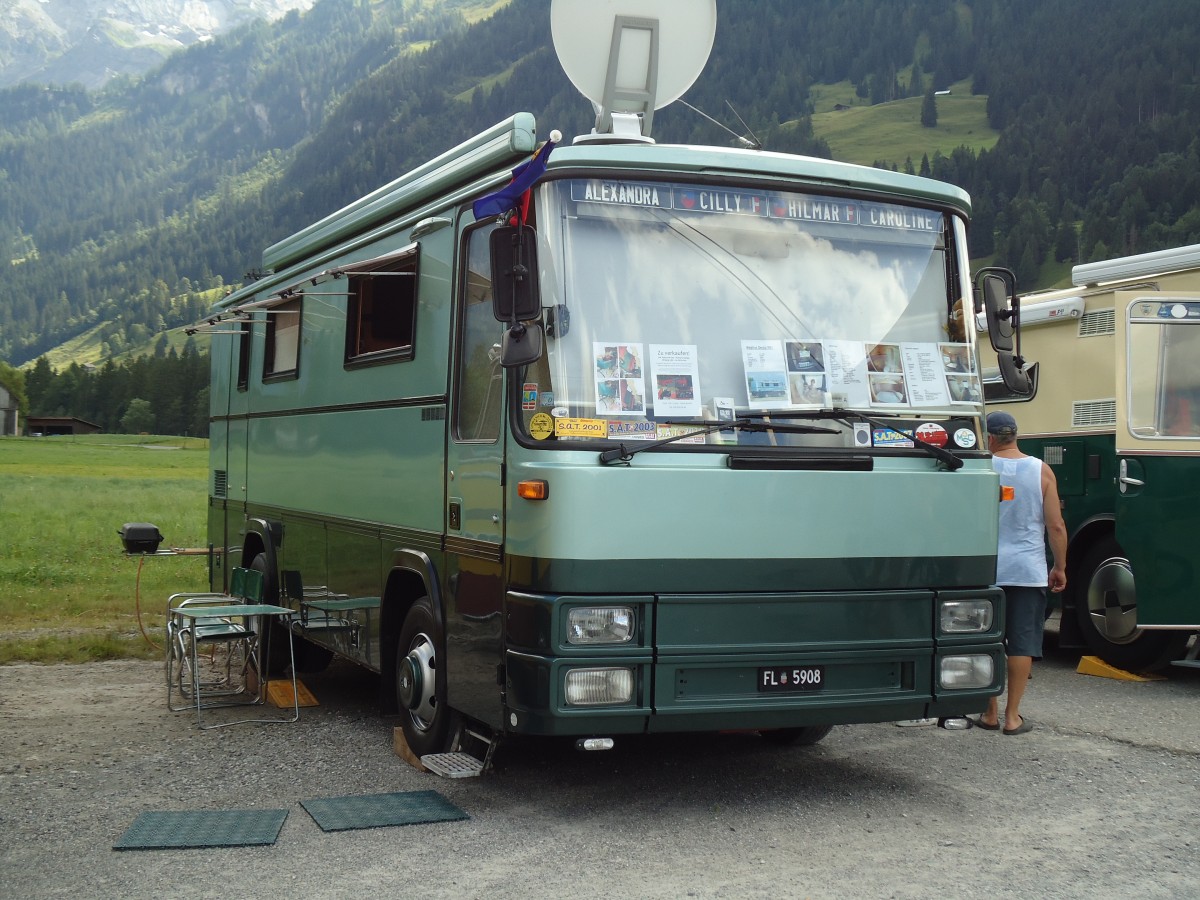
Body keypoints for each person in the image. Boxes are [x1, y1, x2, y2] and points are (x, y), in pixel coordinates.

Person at [976, 410, 1068, 736]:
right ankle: (1013, 717)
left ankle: (989, 712)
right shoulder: (1041, 471)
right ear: (1015, 435)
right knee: (1022, 642)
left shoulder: (981, 469)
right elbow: (1055, 525)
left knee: (988, 639)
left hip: (986, 569)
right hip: (1028, 570)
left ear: (988, 439)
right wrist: (1059, 566)